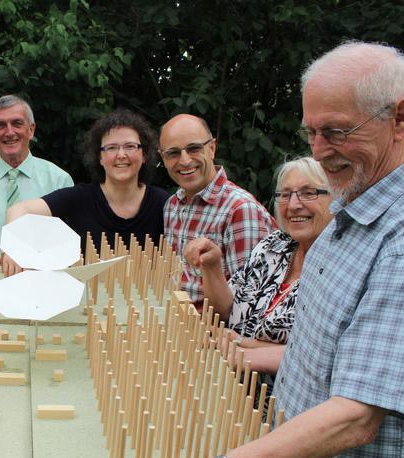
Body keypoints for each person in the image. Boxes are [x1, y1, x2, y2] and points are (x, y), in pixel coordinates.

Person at [228, 41, 404, 458]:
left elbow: (356, 417)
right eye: (312, 132)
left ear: (399, 119)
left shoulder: (397, 240)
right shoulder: (350, 208)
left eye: (338, 131)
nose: (320, 150)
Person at [184, 157, 332, 397]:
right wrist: (212, 266)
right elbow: (228, 311)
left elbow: (323, 357)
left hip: (285, 404)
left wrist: (242, 343)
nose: (293, 205)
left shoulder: (341, 266)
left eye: (308, 193)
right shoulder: (272, 246)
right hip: (231, 393)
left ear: (336, 199)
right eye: (285, 194)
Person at [3, 108, 169, 275]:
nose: (121, 154)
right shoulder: (78, 199)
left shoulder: (162, 203)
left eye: (130, 146)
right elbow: (19, 210)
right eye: (111, 148)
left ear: (144, 155)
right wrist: (13, 248)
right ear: (100, 157)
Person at [159, 114, 275, 309]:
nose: (185, 160)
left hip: (212, 334)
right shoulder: (172, 205)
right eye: (173, 153)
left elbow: (247, 307)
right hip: (172, 324)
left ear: (211, 148)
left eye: (194, 149)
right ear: (163, 158)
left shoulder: (241, 210)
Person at [0, 94, 73, 265]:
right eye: (0, 125)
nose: (9, 132)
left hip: (44, 278)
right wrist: (0, 265)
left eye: (17, 123)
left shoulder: (59, 181)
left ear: (31, 130)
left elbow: (65, 243)